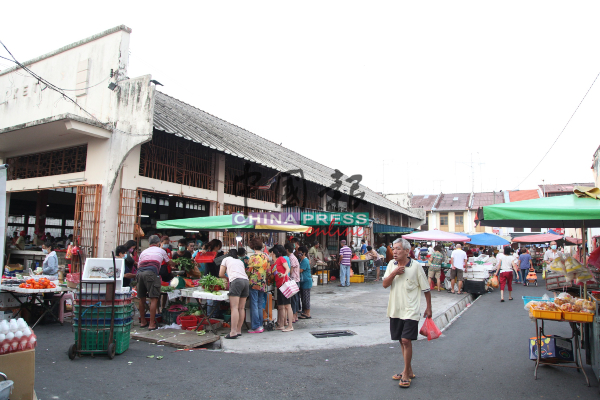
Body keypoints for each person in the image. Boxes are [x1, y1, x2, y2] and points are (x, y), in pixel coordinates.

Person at [383, 238, 432, 389]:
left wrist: (429, 308)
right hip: (395, 309)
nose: (394, 251)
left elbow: (426, 289)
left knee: (406, 340)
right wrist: (394, 273)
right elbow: (385, 284)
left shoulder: (416, 266)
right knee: (400, 340)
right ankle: (409, 369)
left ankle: (405, 373)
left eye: (398, 249)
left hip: (411, 309)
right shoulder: (391, 265)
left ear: (406, 251)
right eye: (393, 248)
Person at [137, 235, 171, 330]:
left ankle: (143, 321)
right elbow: (169, 262)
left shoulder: (143, 251)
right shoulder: (161, 251)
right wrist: (176, 263)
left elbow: (139, 265)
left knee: (141, 298)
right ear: (158, 243)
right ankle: (152, 323)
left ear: (149, 244)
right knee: (154, 298)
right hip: (151, 273)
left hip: (140, 273)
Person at [219, 249, 249, 339]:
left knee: (234, 307)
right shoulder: (240, 261)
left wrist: (227, 278)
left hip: (236, 281)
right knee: (241, 308)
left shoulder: (226, 259)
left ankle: (233, 332)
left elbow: (220, 274)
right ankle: (238, 330)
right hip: (246, 281)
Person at [245, 238, 270, 333]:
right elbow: (268, 271)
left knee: (254, 304)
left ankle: (255, 326)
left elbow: (248, 271)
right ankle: (260, 325)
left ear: (253, 247)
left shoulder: (252, 257)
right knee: (260, 304)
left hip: (254, 283)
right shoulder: (266, 257)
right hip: (263, 283)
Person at [270, 245, 293, 332]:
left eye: (270, 253)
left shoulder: (281, 259)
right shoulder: (273, 266)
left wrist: (284, 274)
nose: (270, 255)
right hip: (279, 286)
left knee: (287, 305)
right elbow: (272, 276)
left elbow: (287, 269)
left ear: (273, 253)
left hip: (285, 285)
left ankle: (290, 325)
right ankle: (281, 325)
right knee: (281, 306)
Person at [285, 243, 301, 324]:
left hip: (293, 280)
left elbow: (290, 271)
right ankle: (295, 316)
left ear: (287, 250)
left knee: (293, 299)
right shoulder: (294, 257)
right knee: (296, 299)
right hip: (296, 280)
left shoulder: (291, 258)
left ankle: (293, 316)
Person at [298, 246, 313, 319]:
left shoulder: (305, 261)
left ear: (304, 253)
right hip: (303, 281)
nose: (299, 253)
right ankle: (304, 312)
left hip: (306, 282)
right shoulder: (301, 260)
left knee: (306, 298)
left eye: (300, 252)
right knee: (303, 298)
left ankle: (308, 313)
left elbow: (300, 270)